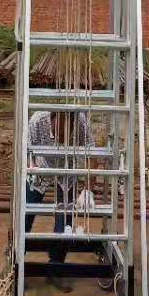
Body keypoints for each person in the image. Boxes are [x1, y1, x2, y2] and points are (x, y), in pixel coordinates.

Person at [24, 109, 92, 277]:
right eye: (59, 133)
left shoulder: (81, 122)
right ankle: (15, 261)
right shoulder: (37, 121)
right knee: (25, 212)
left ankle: (56, 266)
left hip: (67, 167)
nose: (62, 138)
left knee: (65, 220)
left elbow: (92, 154)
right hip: (41, 165)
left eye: (67, 134)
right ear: (53, 120)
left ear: (73, 125)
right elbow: (26, 149)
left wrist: (88, 189)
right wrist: (32, 168)